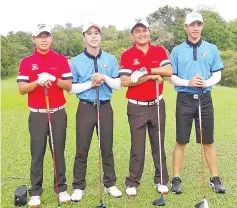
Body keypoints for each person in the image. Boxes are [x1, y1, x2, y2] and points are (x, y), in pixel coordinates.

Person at [169, 11, 226, 194]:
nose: (195, 28)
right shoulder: (177, 50)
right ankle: (176, 178)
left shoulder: (212, 48)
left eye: (198, 24)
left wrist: (206, 82)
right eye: (192, 24)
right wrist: (188, 82)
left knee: (207, 141)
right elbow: (171, 77)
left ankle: (214, 178)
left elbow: (217, 73)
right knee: (181, 140)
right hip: (185, 99)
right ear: (185, 27)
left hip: (204, 98)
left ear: (202, 26)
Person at [17, 24, 73, 207]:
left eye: (47, 35)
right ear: (33, 39)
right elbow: (22, 89)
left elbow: (68, 85)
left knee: (58, 152)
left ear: (51, 38)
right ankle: (35, 192)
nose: (44, 39)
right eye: (40, 36)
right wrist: (37, 82)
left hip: (57, 112)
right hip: (38, 115)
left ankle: (62, 188)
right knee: (37, 154)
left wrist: (54, 80)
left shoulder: (60, 60)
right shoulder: (26, 62)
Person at [68, 22, 122, 202]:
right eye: (89, 33)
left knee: (107, 147)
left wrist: (104, 78)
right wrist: (90, 84)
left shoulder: (110, 59)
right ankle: (78, 186)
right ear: (83, 37)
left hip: (105, 106)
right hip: (85, 107)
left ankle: (110, 184)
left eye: (96, 33)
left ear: (100, 36)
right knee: (81, 148)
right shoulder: (75, 61)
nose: (93, 36)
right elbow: (71, 88)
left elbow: (118, 85)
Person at [119, 19, 172, 197]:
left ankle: (162, 180)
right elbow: (126, 81)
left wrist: (144, 71)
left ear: (149, 31)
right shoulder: (127, 55)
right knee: (137, 146)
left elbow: (168, 71)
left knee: (158, 143)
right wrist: (151, 76)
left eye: (144, 30)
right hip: (136, 107)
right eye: (137, 31)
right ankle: (132, 181)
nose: (142, 34)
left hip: (157, 103)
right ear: (132, 35)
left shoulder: (159, 50)